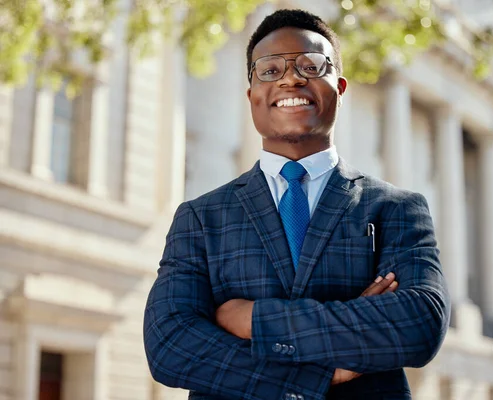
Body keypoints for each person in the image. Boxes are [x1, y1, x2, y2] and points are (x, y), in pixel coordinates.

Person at [144, 8, 450, 400]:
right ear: (252, 95)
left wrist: (254, 319)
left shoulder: (397, 208)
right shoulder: (201, 217)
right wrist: (318, 377)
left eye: (311, 66)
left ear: (339, 88)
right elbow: (170, 345)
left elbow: (419, 324)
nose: (290, 77)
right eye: (270, 70)